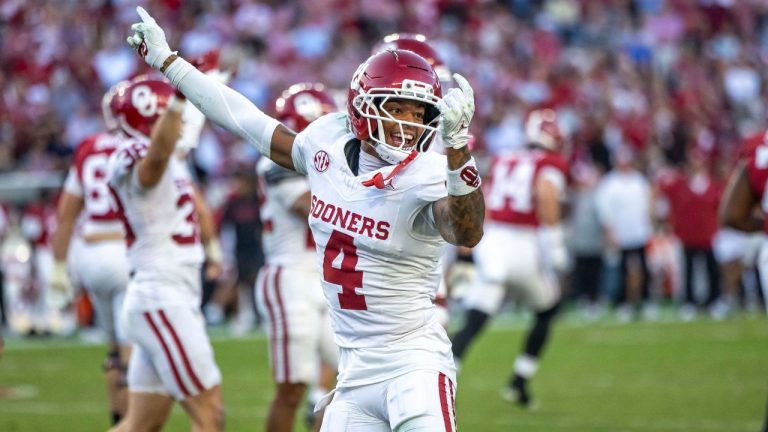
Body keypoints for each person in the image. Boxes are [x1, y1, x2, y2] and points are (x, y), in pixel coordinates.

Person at [128, 7, 484, 430]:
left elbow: (466, 230)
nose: (407, 124)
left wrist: (459, 151)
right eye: (398, 108)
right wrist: (169, 62)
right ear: (362, 104)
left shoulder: (426, 174)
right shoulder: (325, 146)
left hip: (414, 365)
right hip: (354, 372)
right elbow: (245, 121)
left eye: (417, 113)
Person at [106, 75, 224, 432]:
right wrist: (176, 102)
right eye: (171, 112)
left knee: (141, 424)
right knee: (209, 412)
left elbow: (174, 149)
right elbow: (152, 163)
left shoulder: (172, 157)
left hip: (171, 295)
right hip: (161, 296)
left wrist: (209, 84)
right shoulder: (133, 153)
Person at [451, 108, 569, 408]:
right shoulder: (549, 163)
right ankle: (519, 381)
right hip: (523, 244)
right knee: (547, 309)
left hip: (492, 240)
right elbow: (545, 194)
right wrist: (554, 245)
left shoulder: (505, 158)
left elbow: (482, 201)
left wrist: (468, 252)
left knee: (476, 317)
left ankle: (443, 377)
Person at [255, 83, 338, 432]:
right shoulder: (274, 162)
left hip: (325, 280)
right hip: (289, 276)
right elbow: (314, 208)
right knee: (292, 388)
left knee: (351, 375)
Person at [49, 80, 133, 426]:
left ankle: (117, 419)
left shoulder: (87, 147)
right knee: (134, 352)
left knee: (113, 348)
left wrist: (57, 265)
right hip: (126, 251)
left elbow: (67, 211)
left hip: (91, 252)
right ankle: (133, 424)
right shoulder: (138, 146)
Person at [595, 145, 654, 321]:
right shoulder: (610, 183)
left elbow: (648, 203)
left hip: (639, 230)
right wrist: (609, 231)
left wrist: (649, 223)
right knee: (621, 270)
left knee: (644, 267)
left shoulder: (639, 181)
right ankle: (623, 302)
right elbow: (604, 210)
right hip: (620, 233)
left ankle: (645, 300)